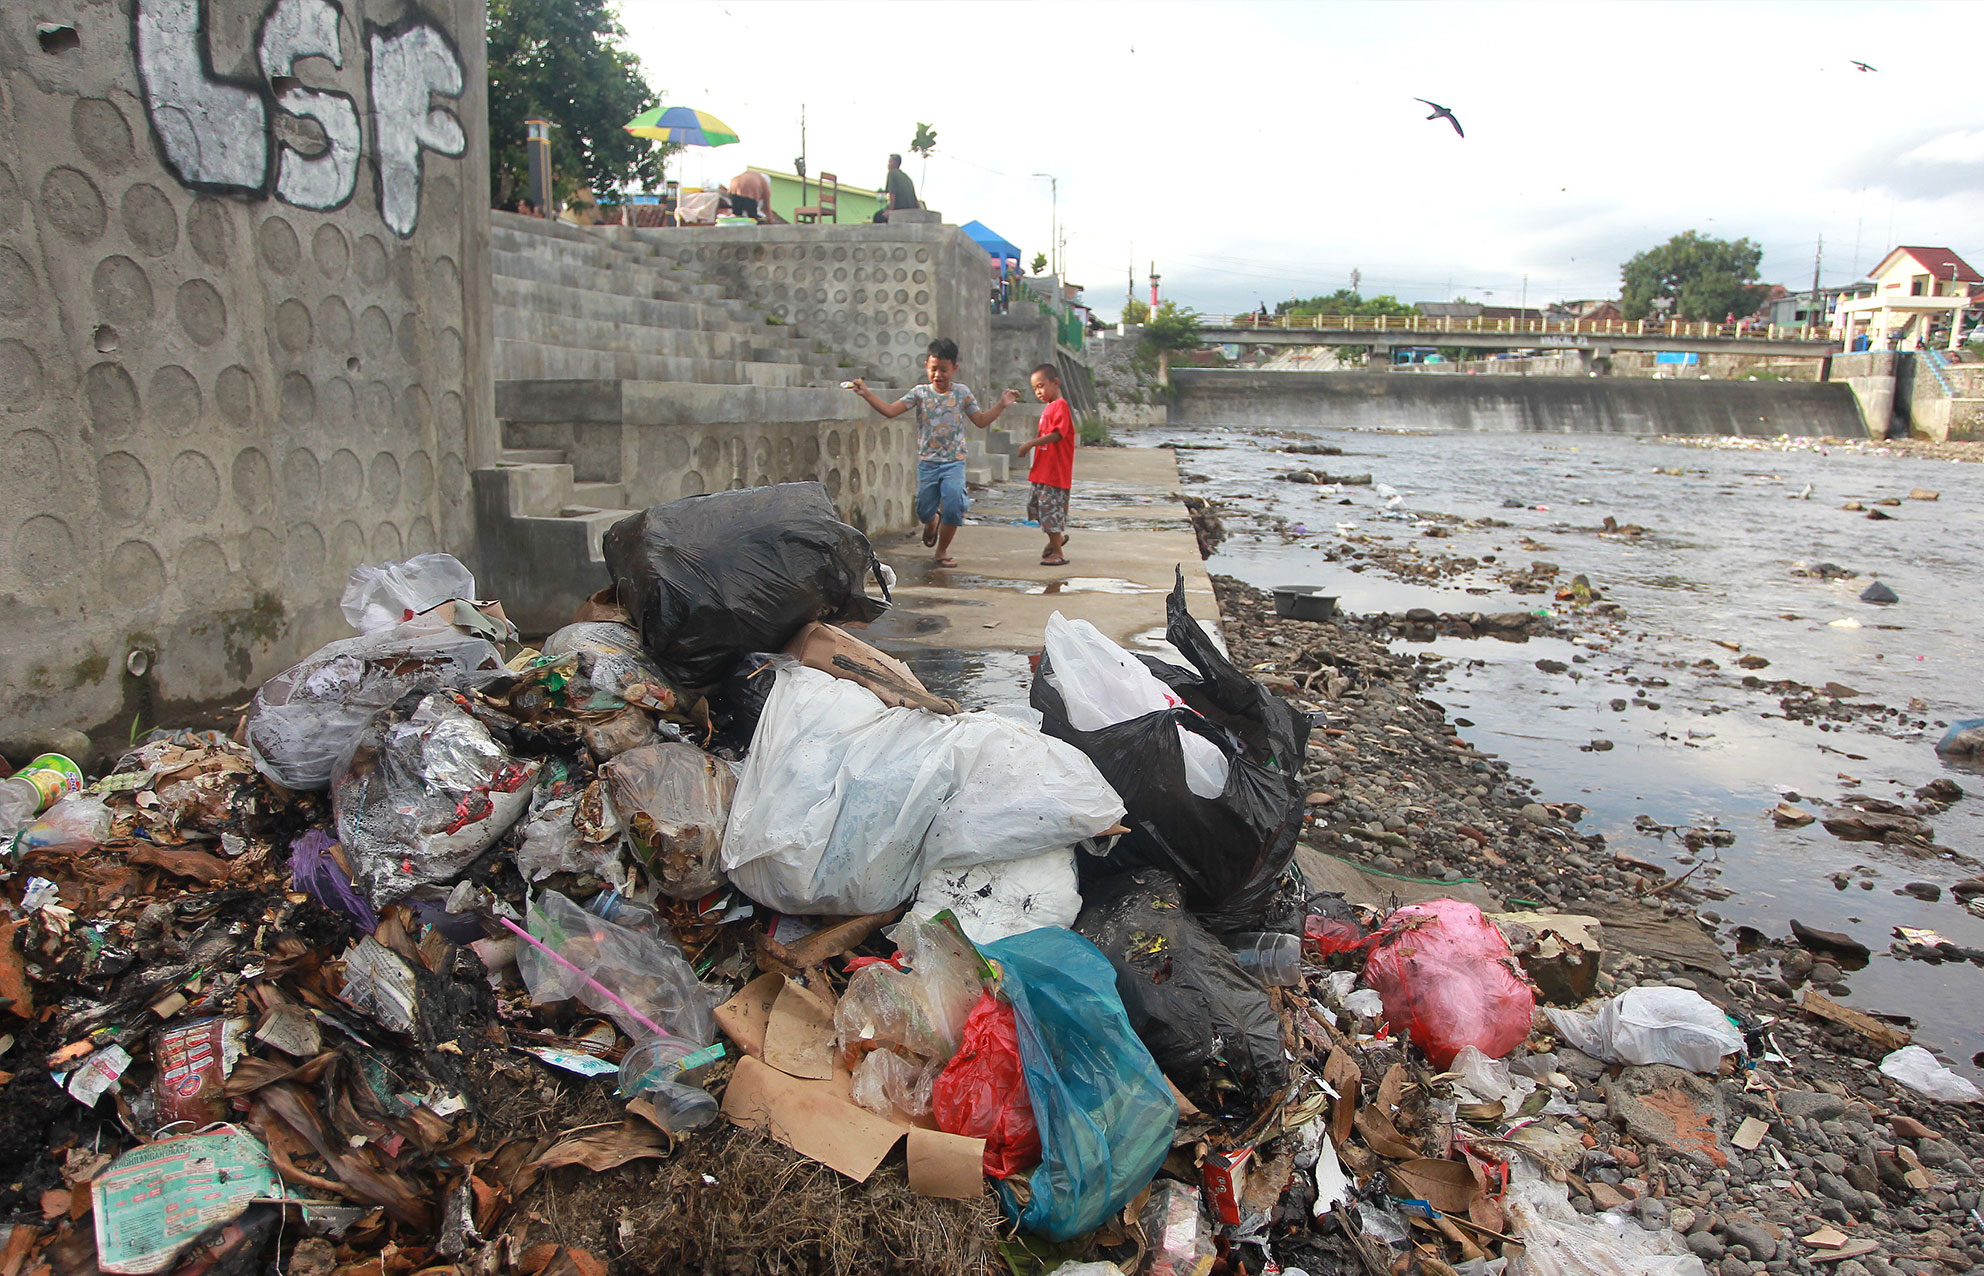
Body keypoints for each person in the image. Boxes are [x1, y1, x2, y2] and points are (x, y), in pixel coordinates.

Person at [848, 338, 1018, 567]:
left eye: (944, 370)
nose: (938, 374)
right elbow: (890, 411)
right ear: (926, 366)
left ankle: (942, 551)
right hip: (928, 463)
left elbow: (980, 420)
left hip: (954, 463)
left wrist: (1001, 405)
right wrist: (866, 393)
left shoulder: (961, 394)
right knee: (924, 510)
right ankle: (931, 523)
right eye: (933, 369)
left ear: (954, 369)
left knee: (955, 504)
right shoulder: (919, 394)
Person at [1014, 363, 1075, 566]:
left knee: (1050, 510)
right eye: (1035, 388)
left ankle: (1057, 551)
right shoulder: (1049, 408)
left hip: (1055, 473)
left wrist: (1030, 444)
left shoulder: (1060, 406)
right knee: (1037, 508)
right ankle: (1056, 540)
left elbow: (1058, 434)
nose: (1038, 392)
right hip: (1042, 471)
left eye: (1041, 386)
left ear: (1055, 383)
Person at [872, 153, 918, 223]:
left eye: (890, 162)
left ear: (895, 163)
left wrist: (891, 210)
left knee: (877, 216)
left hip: (899, 209)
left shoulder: (892, 173)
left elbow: (892, 193)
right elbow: (915, 198)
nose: (888, 165)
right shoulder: (907, 178)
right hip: (910, 209)